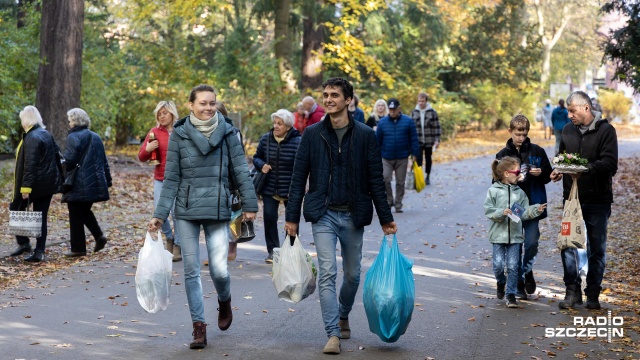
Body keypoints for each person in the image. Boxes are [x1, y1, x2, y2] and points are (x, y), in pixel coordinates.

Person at [284, 77, 397, 354]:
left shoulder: (365, 135)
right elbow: (299, 178)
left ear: (349, 100)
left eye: (335, 95)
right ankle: (332, 333)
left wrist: (385, 218)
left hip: (353, 214)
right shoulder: (311, 134)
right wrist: (292, 218)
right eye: (325, 95)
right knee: (327, 273)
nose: (329, 99)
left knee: (352, 275)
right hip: (323, 214)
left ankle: (344, 312)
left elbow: (375, 179)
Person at [148, 84, 258, 349]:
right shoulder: (179, 135)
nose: (208, 108)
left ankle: (224, 300)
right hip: (185, 210)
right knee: (190, 270)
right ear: (191, 105)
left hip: (218, 208)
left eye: (212, 103)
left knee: (219, 271)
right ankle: (199, 326)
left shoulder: (229, 132)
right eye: (203, 103)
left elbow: (241, 170)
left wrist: (249, 204)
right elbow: (171, 177)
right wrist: (159, 215)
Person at [550, 91, 618, 310]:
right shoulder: (567, 130)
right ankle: (572, 292)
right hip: (572, 199)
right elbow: (562, 157)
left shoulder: (606, 131)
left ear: (586, 108)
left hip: (598, 199)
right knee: (568, 245)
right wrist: (558, 170)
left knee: (596, 249)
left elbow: (610, 164)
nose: (569, 115)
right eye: (568, 111)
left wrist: (585, 169)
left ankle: (592, 294)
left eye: (572, 111)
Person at [495, 114, 552, 300]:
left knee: (532, 242)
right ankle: (519, 281)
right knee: (516, 245)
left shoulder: (537, 151)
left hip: (533, 203)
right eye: (518, 133)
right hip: (514, 206)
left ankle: (527, 270)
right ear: (510, 131)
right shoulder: (502, 155)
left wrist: (541, 172)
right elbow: (495, 183)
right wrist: (511, 179)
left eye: (524, 134)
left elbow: (549, 176)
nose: (521, 137)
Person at [484, 156, 546, 308]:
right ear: (506, 173)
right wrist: (501, 212)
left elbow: (522, 213)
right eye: (517, 172)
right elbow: (488, 210)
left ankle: (510, 294)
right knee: (498, 266)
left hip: (516, 237)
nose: (520, 175)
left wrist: (535, 209)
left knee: (513, 266)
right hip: (498, 235)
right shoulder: (494, 191)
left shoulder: (520, 193)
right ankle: (501, 281)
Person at [9, 106, 63, 262]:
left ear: (26, 119)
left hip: (34, 185)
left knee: (16, 209)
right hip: (46, 185)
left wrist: (26, 188)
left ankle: (28, 245)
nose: (21, 123)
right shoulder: (45, 134)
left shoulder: (32, 137)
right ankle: (36, 249)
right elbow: (57, 156)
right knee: (40, 216)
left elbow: (30, 165)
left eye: (21, 119)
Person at [253, 109, 301, 263]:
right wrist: (262, 165)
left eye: (280, 124)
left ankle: (290, 250)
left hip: (290, 187)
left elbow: (304, 164)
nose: (276, 126)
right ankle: (273, 251)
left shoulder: (297, 141)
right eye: (275, 123)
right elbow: (256, 157)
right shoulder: (266, 139)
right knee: (269, 218)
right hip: (270, 186)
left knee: (292, 219)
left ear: (287, 126)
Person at [63, 108, 112, 257]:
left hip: (79, 183)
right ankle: (99, 236)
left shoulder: (73, 137)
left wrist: (61, 162)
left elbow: (70, 161)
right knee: (84, 210)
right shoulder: (96, 137)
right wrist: (108, 180)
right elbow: (104, 161)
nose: (69, 123)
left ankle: (78, 249)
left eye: (70, 120)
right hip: (95, 182)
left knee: (75, 213)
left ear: (75, 121)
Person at [138, 101, 182, 262]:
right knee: (159, 212)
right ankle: (169, 238)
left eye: (165, 113)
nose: (162, 116)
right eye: (159, 114)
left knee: (177, 213)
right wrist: (148, 149)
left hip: (178, 180)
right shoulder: (154, 132)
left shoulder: (181, 131)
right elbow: (141, 157)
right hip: (160, 179)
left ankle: (177, 245)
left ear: (172, 114)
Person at [376, 98, 419, 213]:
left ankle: (398, 203)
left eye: (394, 109)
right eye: (390, 109)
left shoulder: (408, 121)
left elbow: (413, 138)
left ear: (399, 109)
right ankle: (389, 201)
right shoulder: (383, 122)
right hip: (386, 156)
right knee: (385, 179)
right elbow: (377, 140)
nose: (392, 111)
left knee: (400, 182)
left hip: (402, 156)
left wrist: (415, 153)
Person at [216, 101, 243, 262]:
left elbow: (239, 158)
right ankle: (220, 248)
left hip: (231, 180)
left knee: (233, 214)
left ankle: (233, 243)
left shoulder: (234, 132)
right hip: (214, 180)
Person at [410, 93, 441, 185]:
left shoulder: (432, 112)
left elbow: (437, 127)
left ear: (426, 101)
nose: (421, 103)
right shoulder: (414, 112)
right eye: (419, 101)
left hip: (429, 140)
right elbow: (410, 127)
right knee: (418, 159)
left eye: (423, 101)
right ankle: (419, 177)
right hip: (417, 140)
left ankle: (427, 176)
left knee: (428, 158)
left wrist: (437, 140)